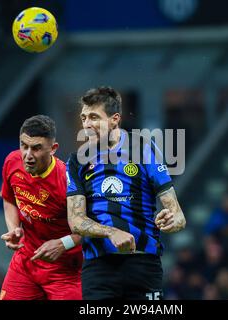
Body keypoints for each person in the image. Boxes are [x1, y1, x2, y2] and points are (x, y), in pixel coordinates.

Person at [66, 86, 186, 300]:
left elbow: (178, 216)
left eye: (94, 117)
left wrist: (170, 220)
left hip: (143, 267)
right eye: (84, 118)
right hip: (98, 269)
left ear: (115, 119)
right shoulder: (77, 161)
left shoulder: (143, 150)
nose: (86, 125)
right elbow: (76, 221)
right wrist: (111, 232)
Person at [0, 115, 83, 300]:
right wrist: (14, 229)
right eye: (24, 145)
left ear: (53, 149)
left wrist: (63, 244)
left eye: (36, 148)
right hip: (26, 263)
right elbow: (9, 199)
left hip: (65, 272)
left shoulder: (68, 181)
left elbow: (90, 228)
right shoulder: (12, 162)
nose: (28, 155)